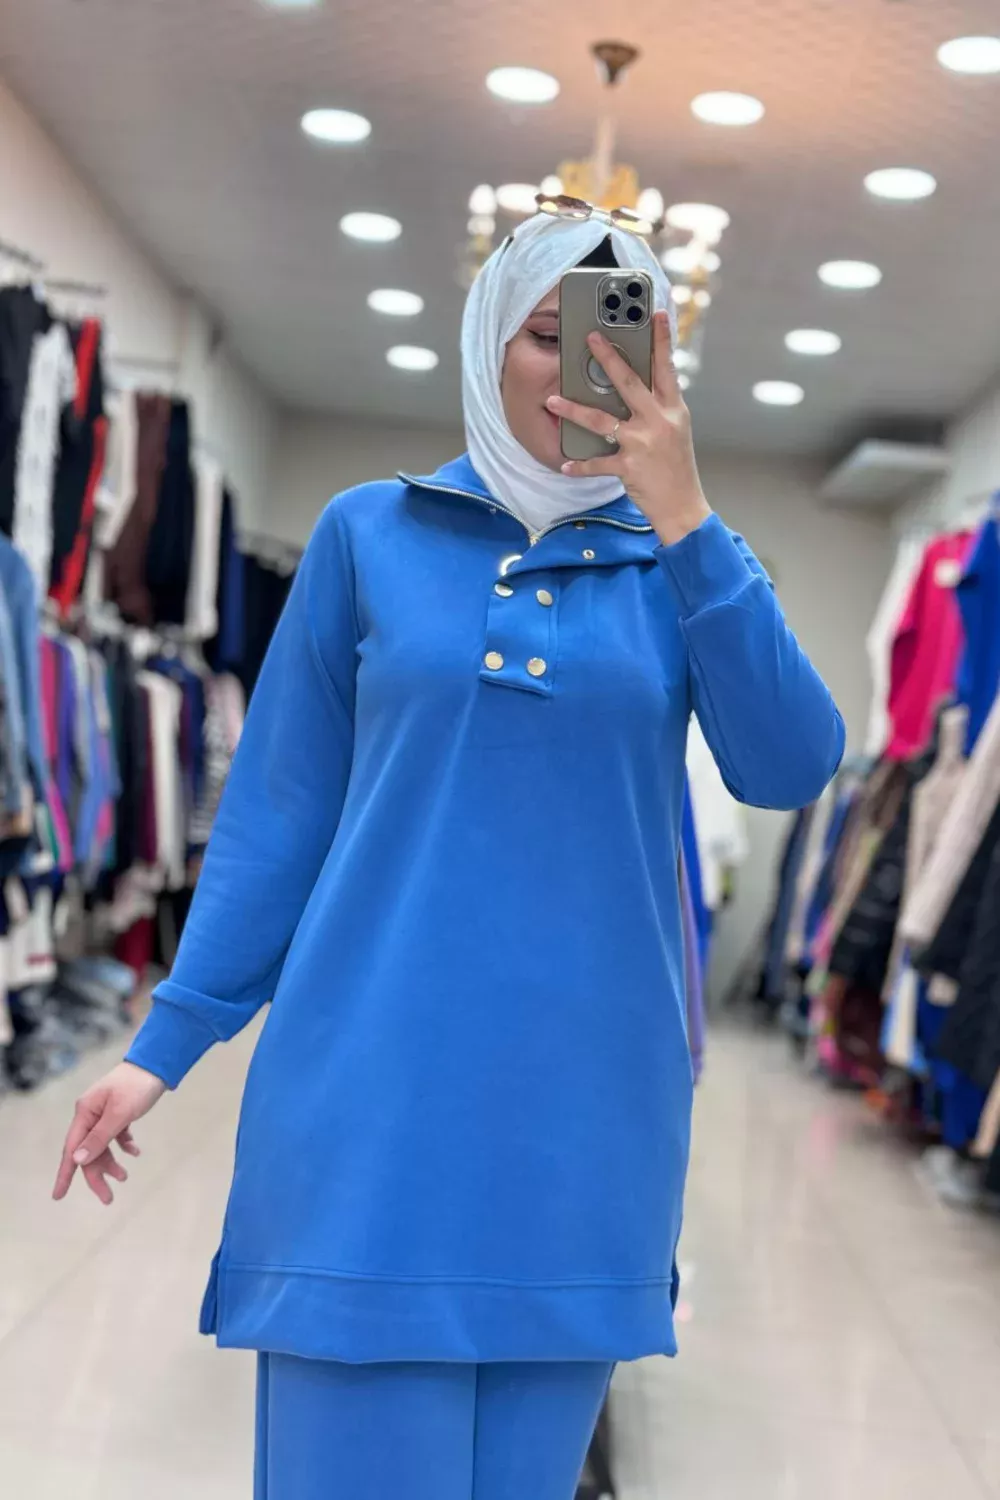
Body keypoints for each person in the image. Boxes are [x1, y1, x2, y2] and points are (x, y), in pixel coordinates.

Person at [53, 204, 845, 1500]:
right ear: (486, 344)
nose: (590, 368)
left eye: (626, 341)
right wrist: (165, 1045)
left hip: (587, 1127)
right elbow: (280, 813)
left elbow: (793, 765)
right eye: (550, 335)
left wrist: (689, 519)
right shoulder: (370, 534)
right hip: (364, 1109)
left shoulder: (692, 567)